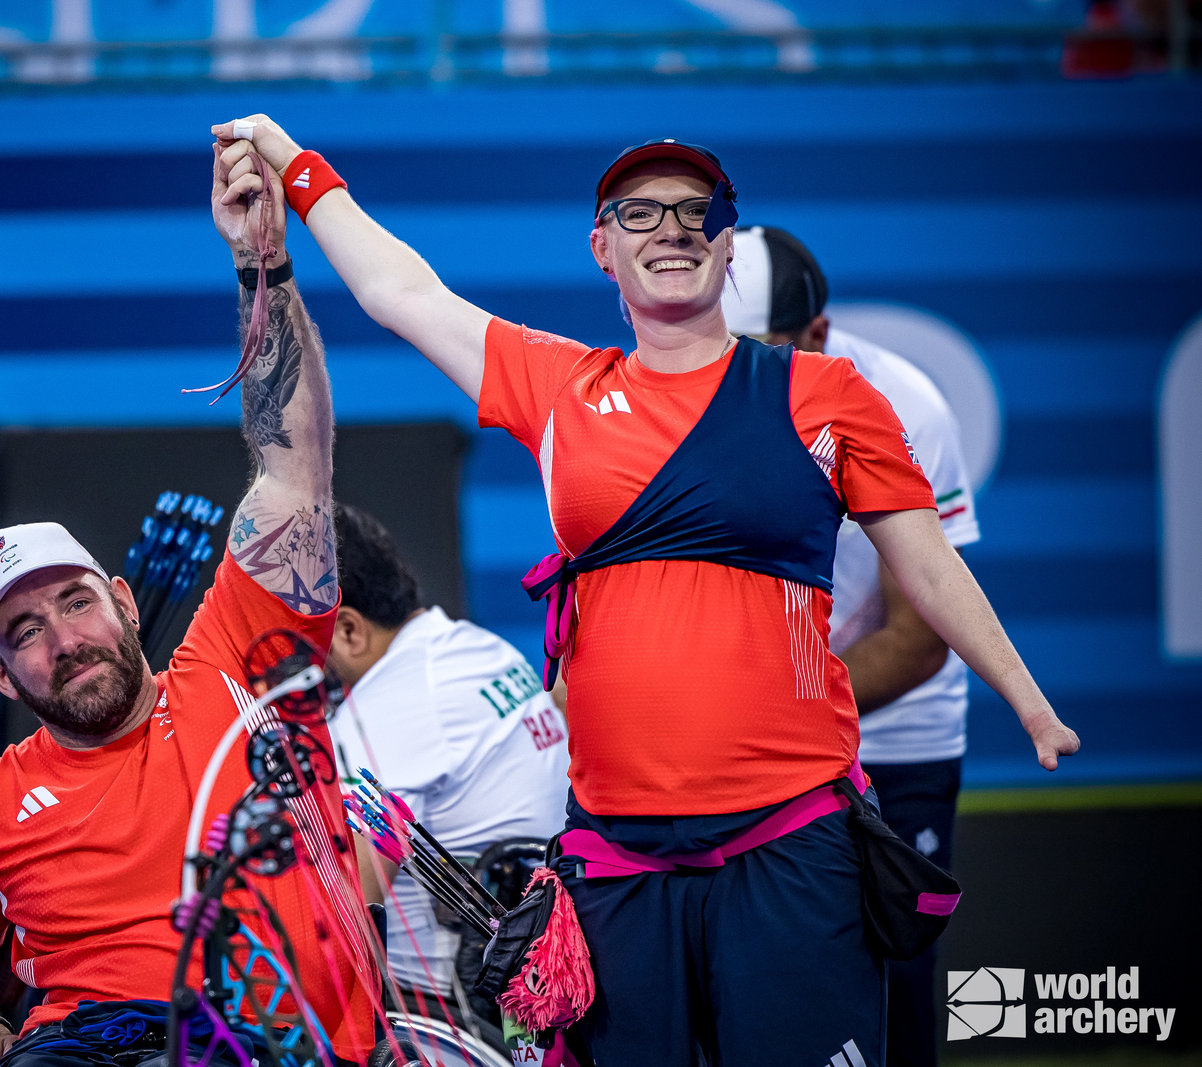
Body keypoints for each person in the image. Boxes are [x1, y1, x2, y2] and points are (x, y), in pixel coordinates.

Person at [207, 117, 1080, 1067]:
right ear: (603, 249)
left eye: (694, 213)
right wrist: (296, 169)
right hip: (616, 865)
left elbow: (930, 563)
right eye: (640, 212)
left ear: (724, 245)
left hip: (790, 846)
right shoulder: (561, 389)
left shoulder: (827, 393)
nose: (671, 228)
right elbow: (399, 291)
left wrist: (1029, 702)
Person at [0, 145, 375, 1067]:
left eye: (76, 601)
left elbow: (294, 472)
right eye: (25, 631)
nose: (65, 639)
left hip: (258, 1034)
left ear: (124, 600)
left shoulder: (233, 668)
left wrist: (260, 264)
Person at [722, 225, 980, 1067]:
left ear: (819, 338)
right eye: (724, 349)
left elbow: (916, 641)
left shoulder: (907, 408)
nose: (735, 376)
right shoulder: (682, 383)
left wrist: (758, 717)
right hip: (753, 731)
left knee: (892, 985)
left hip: (889, 737)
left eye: (763, 353)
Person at [323, 503, 570, 1049]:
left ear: (348, 630)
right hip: (540, 980)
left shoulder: (385, 708)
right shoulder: (480, 648)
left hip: (456, 1012)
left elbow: (337, 908)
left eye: (305, 639)